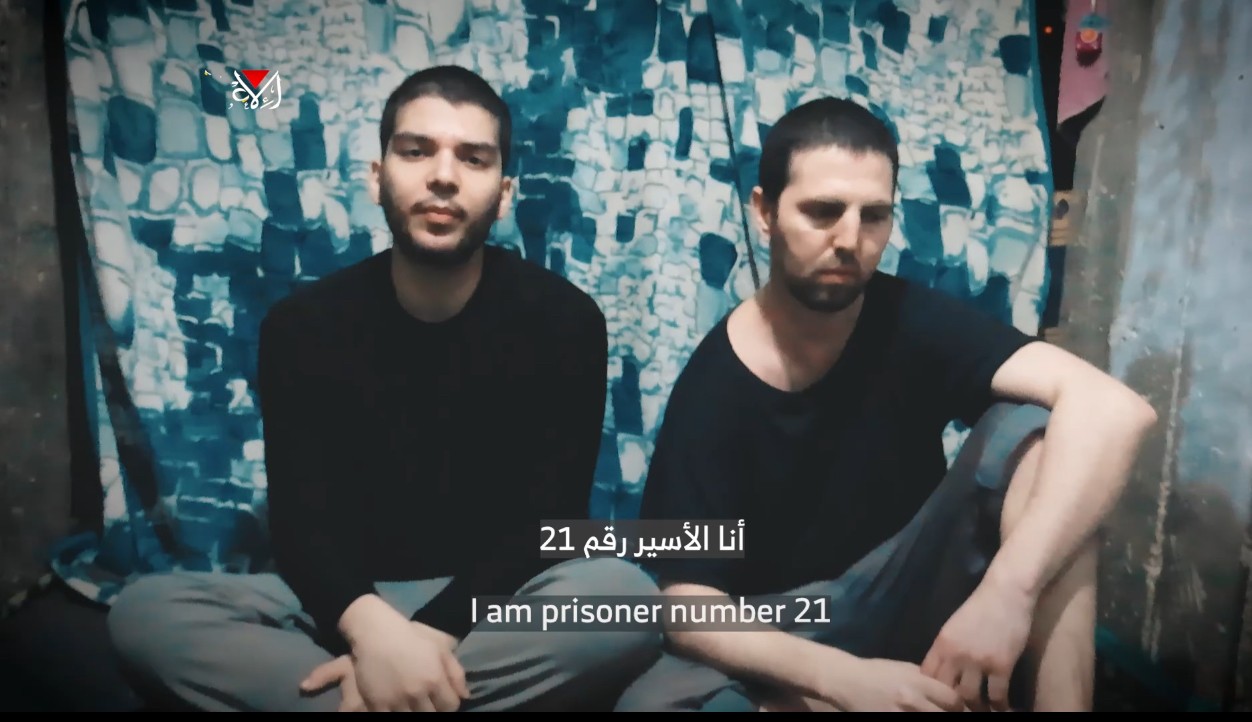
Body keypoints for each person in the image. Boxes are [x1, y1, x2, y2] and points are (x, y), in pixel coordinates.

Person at [107, 65, 661, 712]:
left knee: (626, 598)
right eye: (416, 151)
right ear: (377, 177)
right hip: (341, 608)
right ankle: (414, 695)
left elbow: (546, 524)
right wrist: (372, 632)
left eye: (473, 158)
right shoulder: (302, 327)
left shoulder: (565, 322)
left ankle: (377, 697)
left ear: (504, 193)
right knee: (145, 613)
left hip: (490, 609)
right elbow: (301, 527)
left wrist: (425, 639)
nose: (443, 176)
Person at [614, 97, 1156, 713]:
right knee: (649, 705)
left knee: (1041, 438)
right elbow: (685, 604)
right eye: (823, 212)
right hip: (787, 631)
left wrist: (1008, 594)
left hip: (907, 596)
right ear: (764, 213)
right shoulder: (716, 380)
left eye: (873, 215)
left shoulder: (912, 319)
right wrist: (843, 678)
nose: (850, 240)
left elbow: (1116, 410)